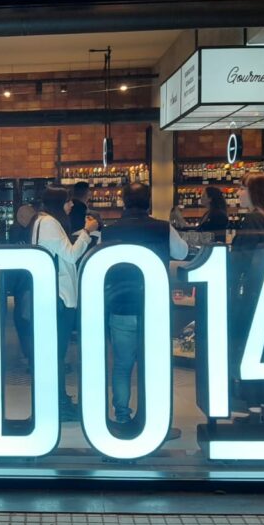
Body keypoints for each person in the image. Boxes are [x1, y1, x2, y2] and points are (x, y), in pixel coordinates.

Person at [101, 183, 188, 437]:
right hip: (154, 308)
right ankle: (157, 422)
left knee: (122, 365)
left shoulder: (109, 232)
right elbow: (182, 252)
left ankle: (122, 416)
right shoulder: (163, 228)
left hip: (121, 306)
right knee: (155, 365)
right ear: (148, 201)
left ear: (123, 201)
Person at [32, 187, 99, 421]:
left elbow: (61, 249)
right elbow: (70, 255)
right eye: (68, 201)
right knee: (57, 354)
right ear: (58, 203)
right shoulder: (49, 223)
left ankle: (59, 400)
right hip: (59, 296)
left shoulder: (43, 221)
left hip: (54, 295)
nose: (71, 205)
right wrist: (87, 233)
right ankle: (59, 404)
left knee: (55, 353)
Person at [230, 173, 264, 417]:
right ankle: (263, 406)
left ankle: (252, 406)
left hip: (251, 295)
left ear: (255, 192)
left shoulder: (253, 219)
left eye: (242, 188)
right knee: (261, 350)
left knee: (247, 348)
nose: (238, 193)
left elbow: (241, 259)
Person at [9, 204, 38, 367]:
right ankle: (32, 357)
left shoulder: (15, 232)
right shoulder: (27, 232)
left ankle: (29, 355)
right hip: (27, 284)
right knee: (27, 319)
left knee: (23, 318)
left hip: (20, 284)